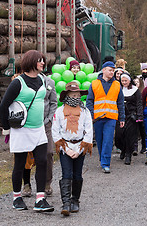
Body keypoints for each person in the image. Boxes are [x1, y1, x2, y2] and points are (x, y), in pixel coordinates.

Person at [0, 50, 54, 212]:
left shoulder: (42, 80)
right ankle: (17, 198)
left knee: (43, 161)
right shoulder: (18, 83)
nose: (43, 63)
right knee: (21, 164)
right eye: (39, 61)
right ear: (31, 62)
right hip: (21, 130)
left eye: (43, 61)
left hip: (39, 129)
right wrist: (6, 129)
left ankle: (40, 199)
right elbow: (3, 106)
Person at [52, 81, 93, 216]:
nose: (75, 97)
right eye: (72, 95)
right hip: (66, 147)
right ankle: (66, 203)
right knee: (66, 174)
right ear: (67, 95)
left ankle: (75, 200)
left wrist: (81, 149)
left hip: (80, 146)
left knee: (77, 174)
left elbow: (89, 130)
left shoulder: (85, 112)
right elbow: (55, 130)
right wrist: (66, 149)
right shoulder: (59, 111)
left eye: (77, 95)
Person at [22, 73, 58, 197]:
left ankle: (47, 183)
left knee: (48, 153)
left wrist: (49, 119)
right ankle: (26, 184)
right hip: (28, 125)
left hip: (45, 125)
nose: (41, 64)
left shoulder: (49, 82)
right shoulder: (23, 81)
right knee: (26, 154)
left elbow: (53, 103)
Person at [86, 61, 125, 173]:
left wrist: (122, 118)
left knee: (108, 140)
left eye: (113, 70)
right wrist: (91, 115)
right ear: (103, 70)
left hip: (111, 118)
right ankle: (102, 158)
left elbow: (121, 103)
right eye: (110, 70)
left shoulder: (117, 85)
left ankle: (105, 163)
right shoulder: (94, 84)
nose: (112, 72)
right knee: (100, 140)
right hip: (97, 118)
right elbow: (89, 101)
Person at [115, 73, 143, 165]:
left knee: (130, 136)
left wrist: (139, 115)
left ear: (129, 80)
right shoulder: (118, 89)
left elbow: (139, 103)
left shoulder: (135, 90)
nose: (124, 82)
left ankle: (128, 155)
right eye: (122, 81)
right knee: (119, 136)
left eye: (125, 81)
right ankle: (122, 149)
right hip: (120, 115)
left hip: (131, 116)